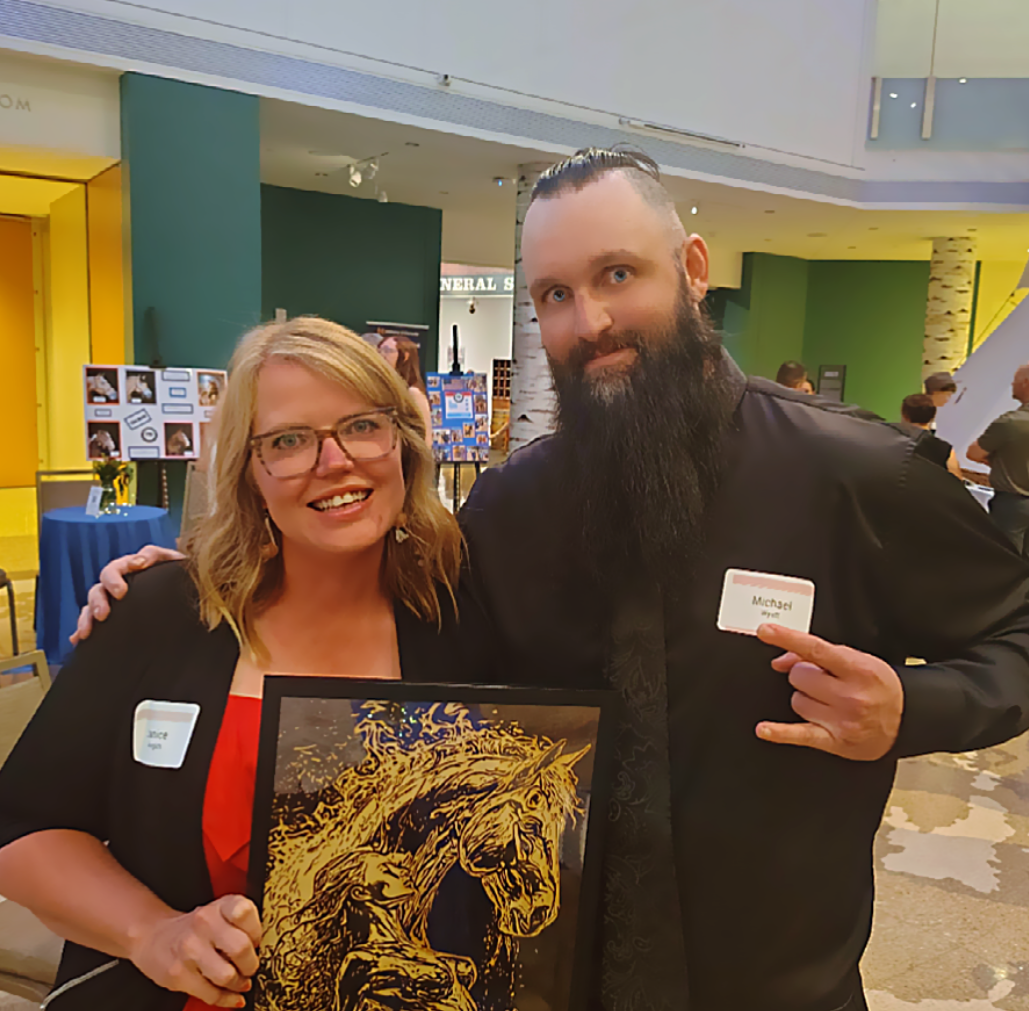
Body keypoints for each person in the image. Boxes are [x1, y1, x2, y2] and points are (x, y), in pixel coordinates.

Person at [76, 150, 1029, 1011]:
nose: (591, 320)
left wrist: (913, 707)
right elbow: (383, 587)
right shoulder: (509, 508)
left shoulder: (855, 473)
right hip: (544, 981)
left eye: (618, 275)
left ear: (693, 270)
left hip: (778, 986)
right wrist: (193, 588)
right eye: (556, 295)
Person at [0, 317, 478, 1010]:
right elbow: (22, 827)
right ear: (248, 474)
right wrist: (151, 931)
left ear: (400, 444)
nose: (333, 460)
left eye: (362, 425)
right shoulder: (162, 614)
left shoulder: (462, 616)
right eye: (287, 441)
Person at [968, 364, 1029, 555]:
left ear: (1026, 384)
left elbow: (974, 453)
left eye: (1015, 380)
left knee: (1005, 559)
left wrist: (999, 461)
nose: (1012, 384)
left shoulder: (1010, 422)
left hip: (1012, 505)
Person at [890, 393, 964, 478]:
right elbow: (956, 483)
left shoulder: (886, 436)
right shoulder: (945, 450)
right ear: (933, 417)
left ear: (904, 415)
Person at [378, 334, 433, 436]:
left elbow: (426, 438)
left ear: (405, 356)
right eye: (379, 351)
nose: (382, 355)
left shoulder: (413, 393)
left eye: (387, 350)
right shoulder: (385, 388)